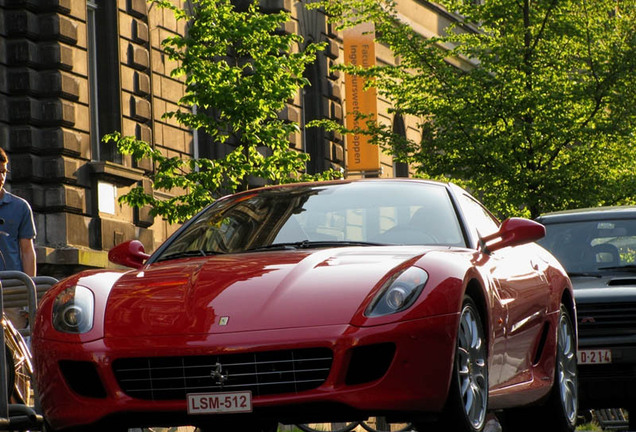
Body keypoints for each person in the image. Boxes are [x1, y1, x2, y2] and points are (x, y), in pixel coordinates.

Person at [0, 147, 37, 329]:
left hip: (13, 289)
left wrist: (30, 294)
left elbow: (27, 251)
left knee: (18, 344)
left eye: (3, 172)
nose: (1, 177)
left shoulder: (20, 207)